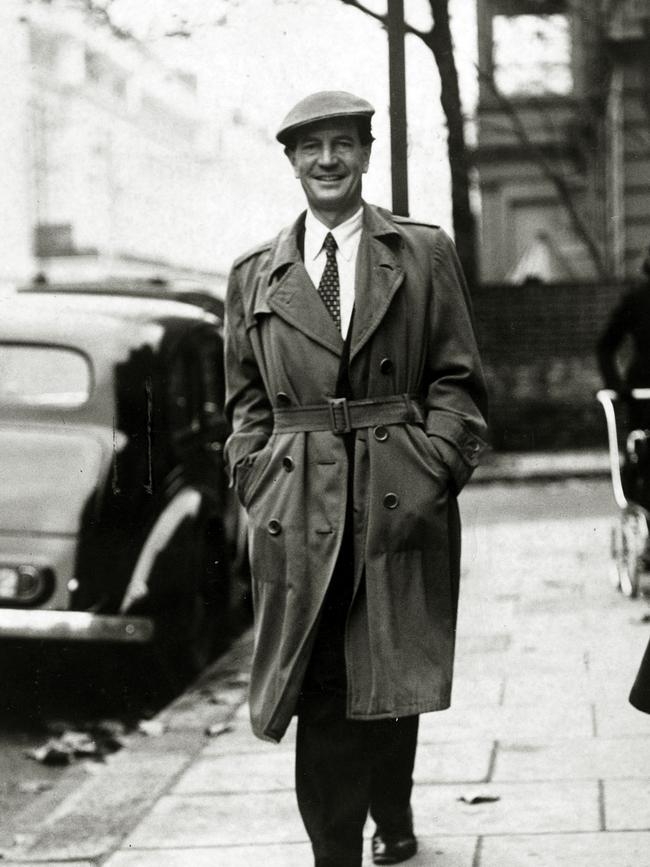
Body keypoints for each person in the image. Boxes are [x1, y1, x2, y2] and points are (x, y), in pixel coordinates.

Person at [224, 90, 488, 867]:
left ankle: (393, 810)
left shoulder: (420, 252)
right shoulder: (254, 276)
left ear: (367, 154)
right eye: (312, 148)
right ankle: (333, 854)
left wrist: (434, 467)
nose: (329, 160)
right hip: (299, 505)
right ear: (293, 162)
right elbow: (244, 400)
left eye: (343, 144)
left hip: (397, 495)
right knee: (327, 688)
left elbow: (458, 381)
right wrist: (256, 475)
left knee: (390, 673)